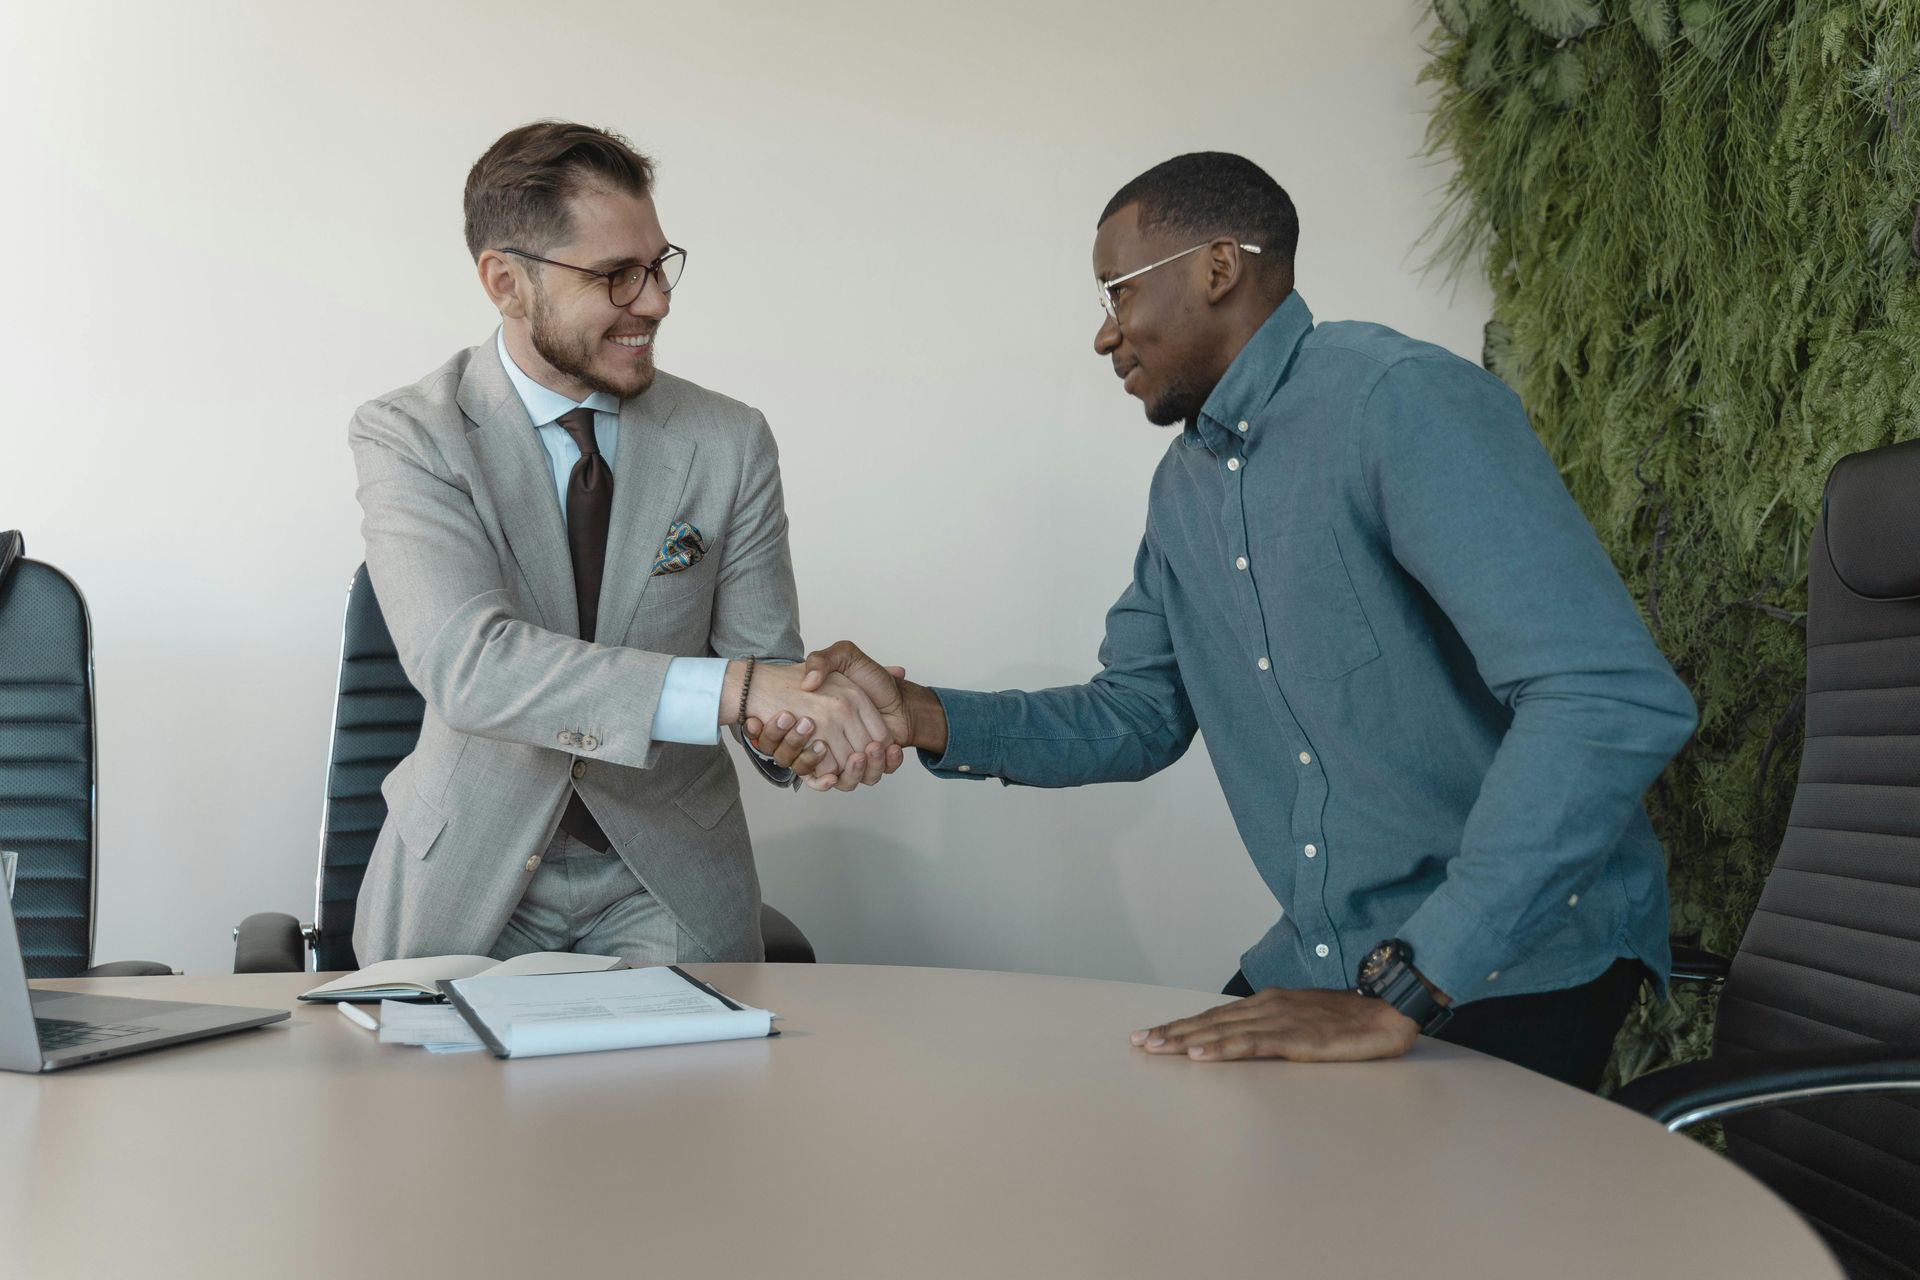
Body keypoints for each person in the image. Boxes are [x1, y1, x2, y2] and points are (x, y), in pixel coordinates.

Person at [750, 152, 1697, 1089]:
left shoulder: (1396, 401)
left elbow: (1606, 698)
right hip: (1336, 956)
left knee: (1337, 1228)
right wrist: (919, 714)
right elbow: (1138, 715)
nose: (1103, 336)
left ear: (1217, 267)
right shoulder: (1185, 488)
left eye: (1115, 293)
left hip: (1507, 956)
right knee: (1163, 1146)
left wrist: (1411, 984)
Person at [349, 120, 896, 967]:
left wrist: (802, 727)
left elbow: (760, 663)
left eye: (659, 265)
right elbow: (469, 665)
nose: (656, 301)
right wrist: (745, 691)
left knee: (686, 1102)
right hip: (468, 874)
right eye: (616, 276)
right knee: (441, 1101)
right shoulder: (412, 435)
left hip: (667, 875)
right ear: (506, 282)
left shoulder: (729, 439)